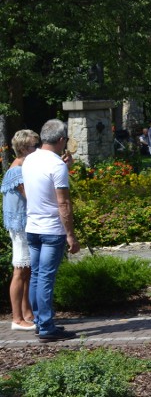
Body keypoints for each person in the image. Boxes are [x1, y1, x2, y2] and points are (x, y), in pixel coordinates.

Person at [22, 119, 79, 342]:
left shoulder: (29, 160)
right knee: (45, 277)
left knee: (36, 275)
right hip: (52, 229)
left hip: (32, 226)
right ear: (62, 140)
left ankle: (39, 322)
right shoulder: (56, 165)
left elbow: (31, 190)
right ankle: (46, 327)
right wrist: (71, 235)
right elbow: (63, 203)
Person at [2, 129, 40, 331]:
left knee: (26, 270)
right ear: (25, 148)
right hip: (20, 226)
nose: (38, 149)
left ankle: (27, 313)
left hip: (24, 224)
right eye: (35, 146)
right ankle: (17, 318)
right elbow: (31, 194)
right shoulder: (17, 171)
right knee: (20, 269)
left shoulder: (22, 167)